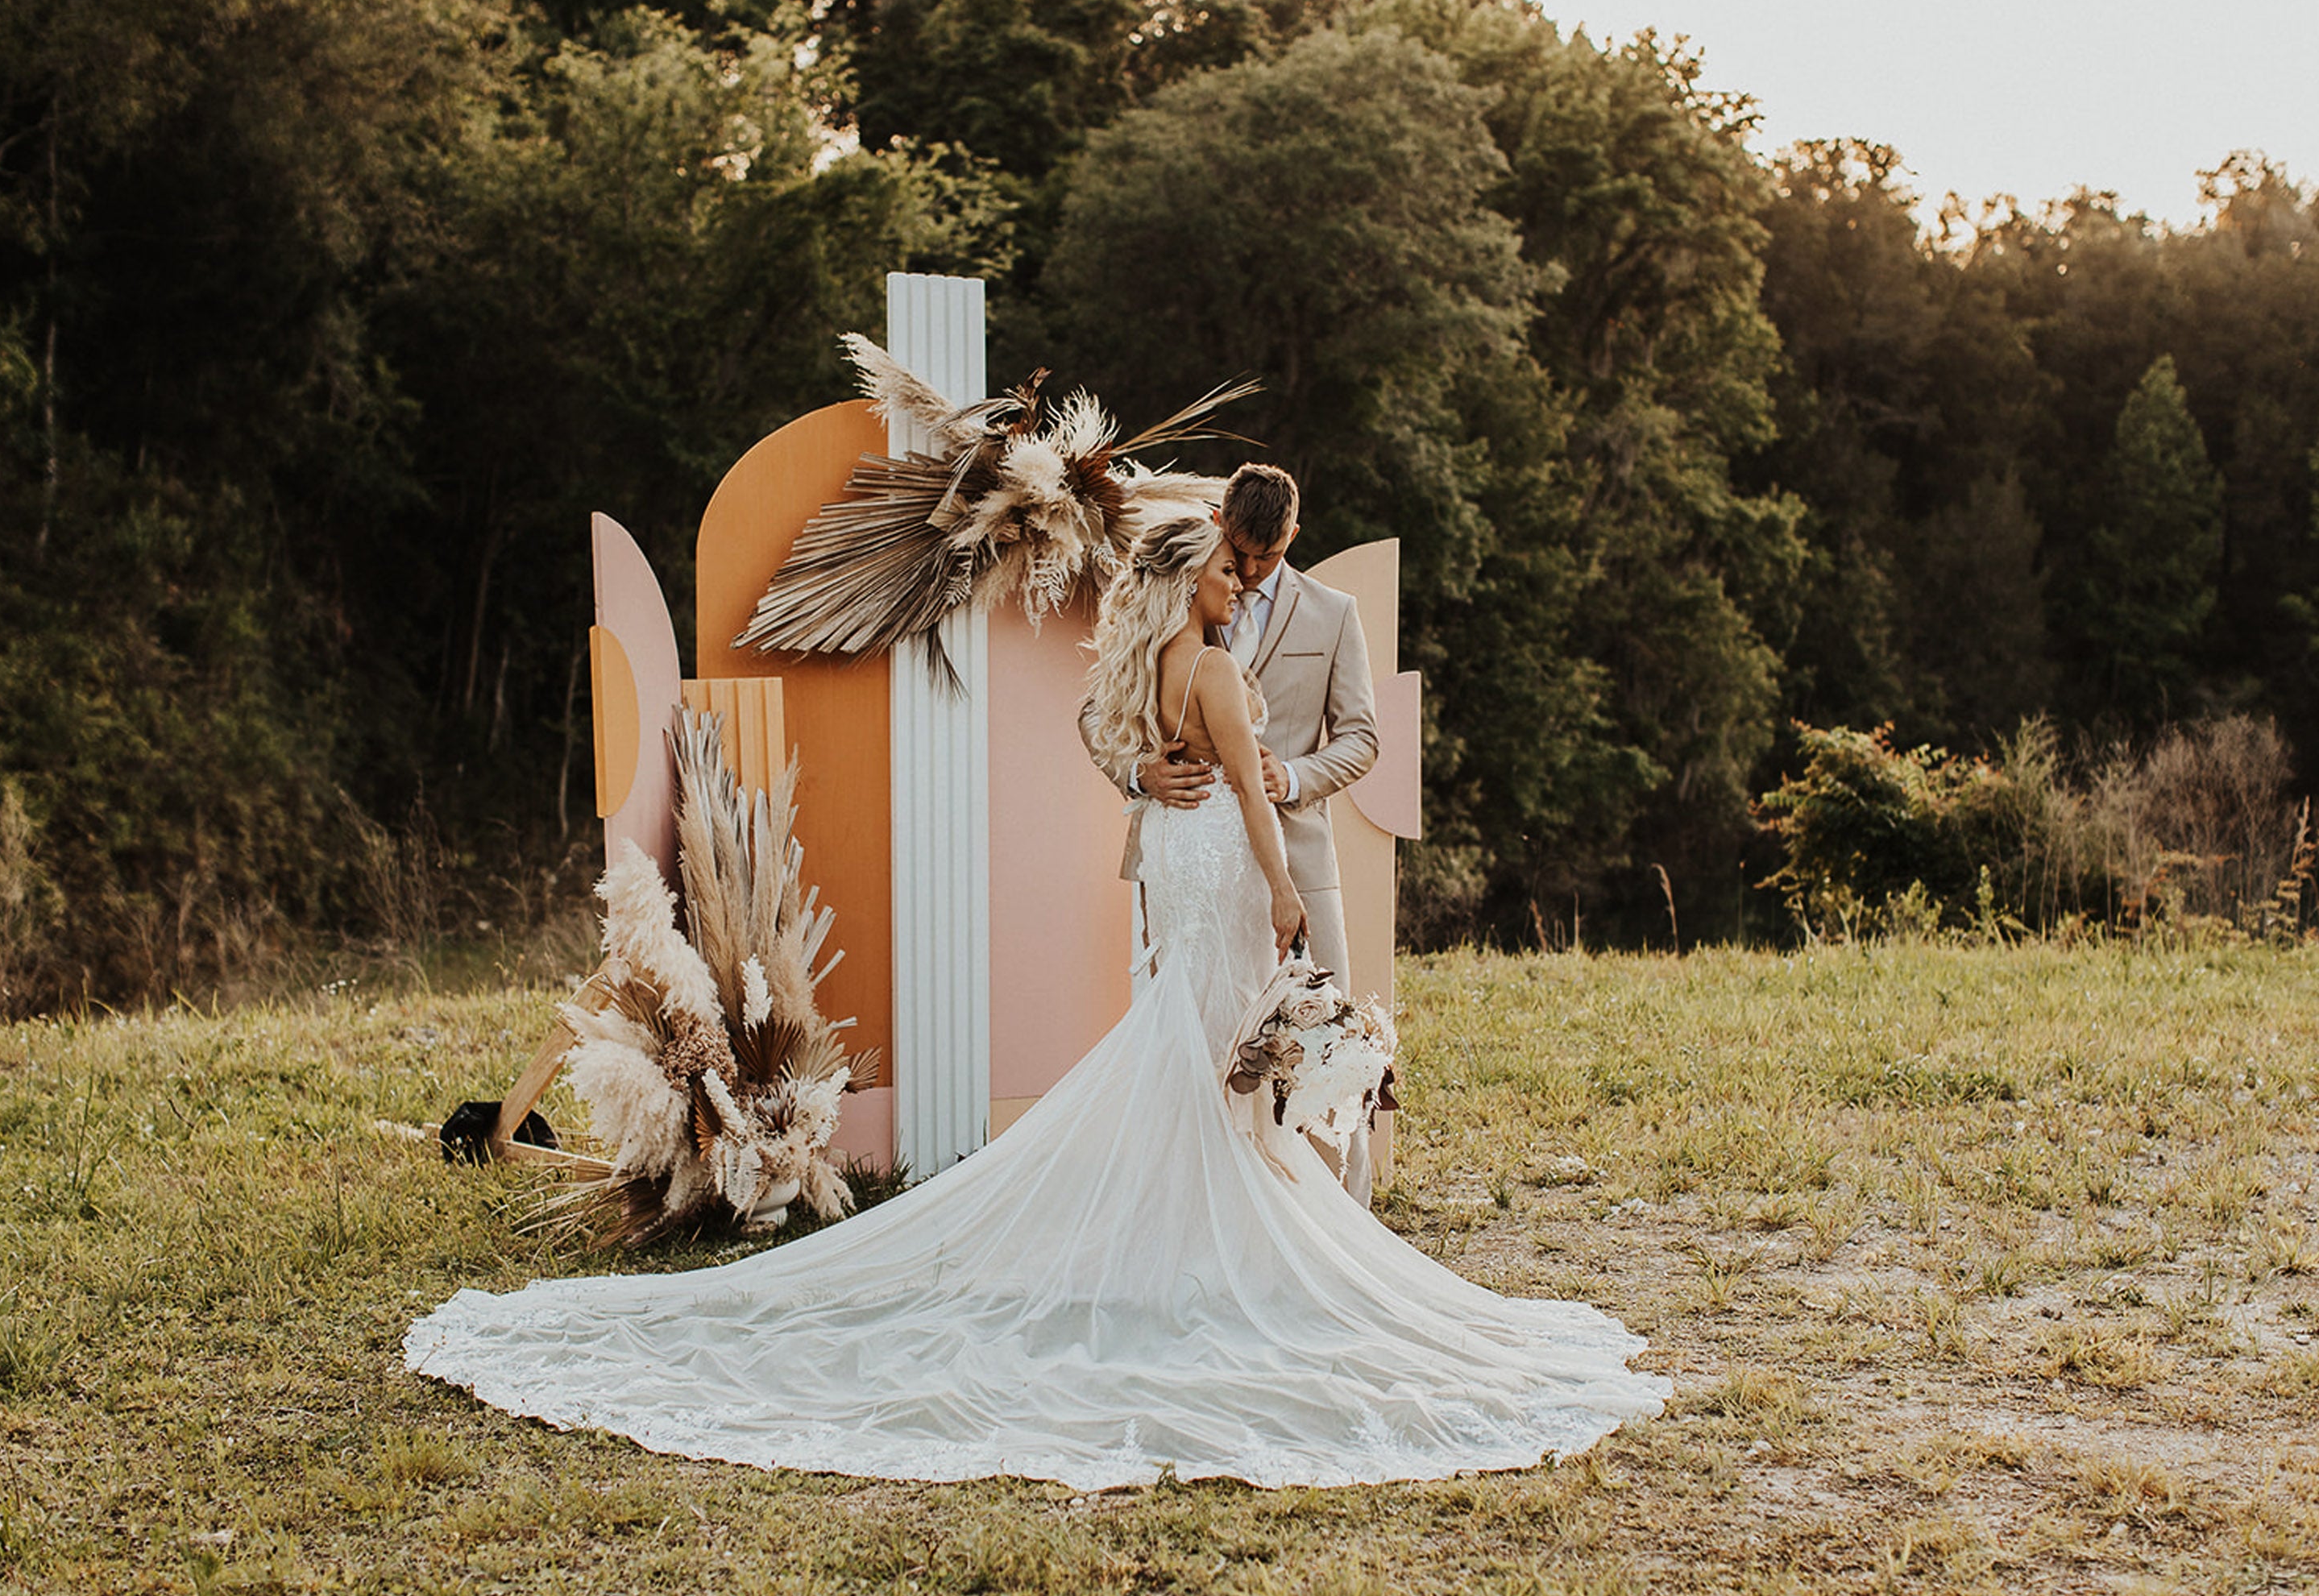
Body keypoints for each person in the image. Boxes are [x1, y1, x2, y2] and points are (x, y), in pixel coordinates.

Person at [406, 516, 1666, 1489]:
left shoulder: (1155, 670)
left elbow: (1183, 763)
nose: (1237, 584)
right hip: (1222, 866)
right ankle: (1219, 1262)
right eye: (1225, 573)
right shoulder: (1216, 674)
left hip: (1178, 877)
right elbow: (1251, 799)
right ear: (1195, 583)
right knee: (1223, 1058)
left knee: (1195, 1052)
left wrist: (1190, 809)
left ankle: (1188, 1249)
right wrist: (1285, 900)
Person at [1097, 463, 1382, 1200]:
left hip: (1296, 856)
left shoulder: (1334, 614)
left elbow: (1361, 737)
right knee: (1204, 1039)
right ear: (1221, 519)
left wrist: (1287, 775)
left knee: (1319, 1044)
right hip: (1196, 859)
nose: (1250, 572)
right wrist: (1140, 774)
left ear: (1294, 535)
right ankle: (1214, 1209)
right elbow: (1097, 715)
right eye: (1239, 553)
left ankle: (1345, 1218)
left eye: (1268, 555)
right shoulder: (1182, 590)